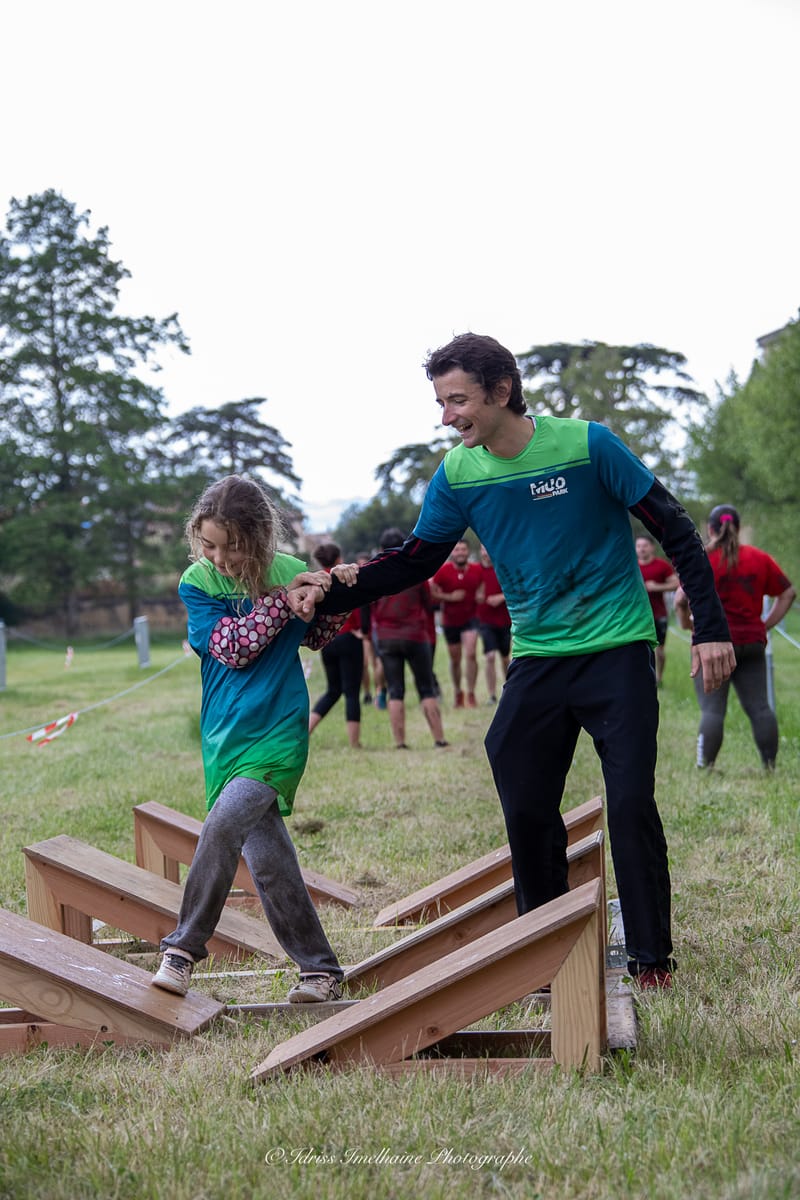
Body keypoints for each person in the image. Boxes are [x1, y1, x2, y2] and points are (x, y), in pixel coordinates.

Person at [314, 332, 735, 990]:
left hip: (617, 650)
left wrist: (710, 628)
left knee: (628, 804)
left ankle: (652, 957)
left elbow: (674, 527)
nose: (447, 416)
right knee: (517, 771)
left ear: (501, 390)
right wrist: (339, 585)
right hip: (539, 657)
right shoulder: (459, 474)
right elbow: (416, 561)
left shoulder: (587, 445)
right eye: (441, 403)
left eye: (457, 401)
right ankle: (543, 942)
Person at [151, 476, 355, 1004]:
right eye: (210, 544)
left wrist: (335, 594)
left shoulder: (291, 572)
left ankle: (181, 949)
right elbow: (233, 647)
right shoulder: (196, 582)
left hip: (279, 730)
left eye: (233, 545)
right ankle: (319, 970)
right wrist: (284, 602)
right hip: (224, 735)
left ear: (260, 536)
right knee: (267, 860)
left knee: (222, 825)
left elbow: (316, 636)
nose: (220, 558)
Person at [673, 504, 795, 770]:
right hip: (752, 642)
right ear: (738, 529)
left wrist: (687, 624)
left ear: (710, 528)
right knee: (760, 707)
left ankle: (705, 767)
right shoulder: (759, 558)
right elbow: (788, 593)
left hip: (713, 644)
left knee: (712, 710)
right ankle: (770, 767)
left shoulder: (703, 558)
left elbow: (680, 600)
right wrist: (765, 625)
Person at [371, 527, 449, 750]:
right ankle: (439, 738)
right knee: (426, 688)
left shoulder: (376, 573)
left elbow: (370, 607)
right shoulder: (414, 573)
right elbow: (429, 605)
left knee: (395, 689)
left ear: (380, 549)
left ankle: (400, 742)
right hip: (415, 635)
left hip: (386, 638)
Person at [308, 542, 365, 749]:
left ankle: (306, 731)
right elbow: (355, 607)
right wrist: (360, 629)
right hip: (348, 638)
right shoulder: (343, 577)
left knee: (332, 690)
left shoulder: (314, 580)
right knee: (351, 691)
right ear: (339, 559)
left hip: (326, 642)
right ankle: (354, 742)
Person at [430, 539, 482, 707]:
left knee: (471, 654)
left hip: (471, 619)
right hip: (450, 621)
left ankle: (471, 693)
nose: (460, 553)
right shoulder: (444, 571)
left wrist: (481, 595)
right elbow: (432, 590)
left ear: (467, 552)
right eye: (457, 550)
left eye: (463, 550)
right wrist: (449, 597)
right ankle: (458, 692)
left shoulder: (476, 569)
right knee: (456, 659)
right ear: (452, 552)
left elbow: (481, 586)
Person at [635, 533, 678, 686]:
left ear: (652, 547)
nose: (641, 549)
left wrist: (657, 587)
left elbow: (676, 584)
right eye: (638, 546)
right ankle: (643, 679)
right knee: (639, 650)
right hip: (637, 616)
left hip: (659, 615)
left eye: (644, 546)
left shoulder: (662, 566)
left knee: (659, 651)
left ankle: (659, 678)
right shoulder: (631, 565)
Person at [476, 544, 511, 703]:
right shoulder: (476, 571)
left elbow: (515, 589)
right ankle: (491, 695)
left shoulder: (503, 569)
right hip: (485, 621)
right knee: (489, 656)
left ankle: (510, 689)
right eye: (483, 548)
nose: (486, 552)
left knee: (505, 658)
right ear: (480, 551)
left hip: (504, 620)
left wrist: (500, 597)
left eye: (488, 548)